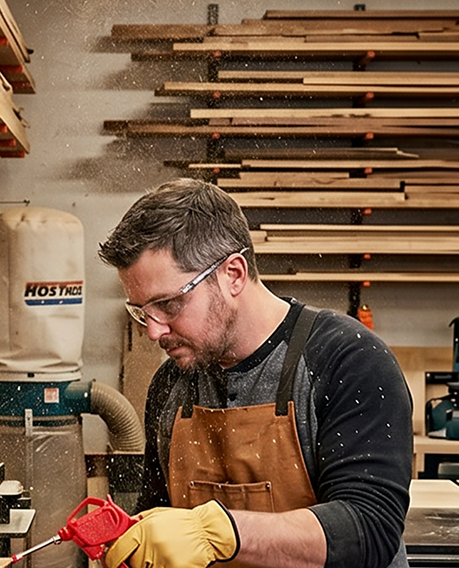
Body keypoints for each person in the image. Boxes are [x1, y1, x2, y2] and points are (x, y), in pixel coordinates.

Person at [96, 179, 413, 568]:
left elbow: (370, 529)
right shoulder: (171, 386)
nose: (153, 330)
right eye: (142, 310)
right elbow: (161, 521)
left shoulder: (347, 360)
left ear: (232, 273)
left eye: (169, 304)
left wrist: (221, 533)